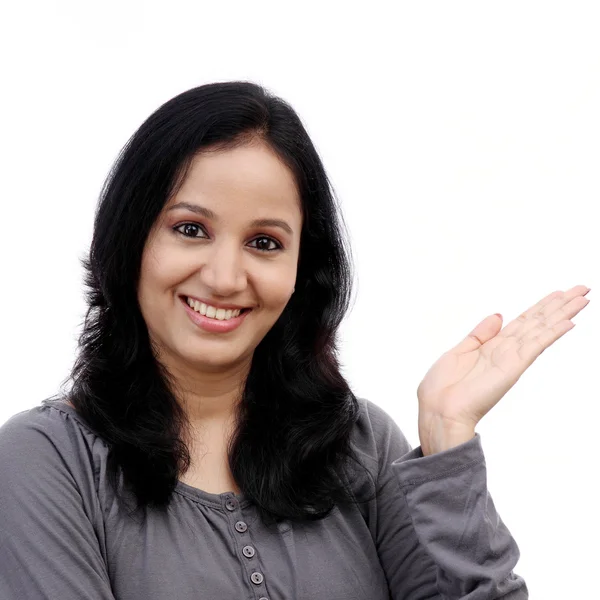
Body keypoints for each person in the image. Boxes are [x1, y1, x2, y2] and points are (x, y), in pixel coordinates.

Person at [0, 80, 590, 599]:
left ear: (303, 267)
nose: (226, 278)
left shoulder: (362, 445)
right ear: (131, 239)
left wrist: (446, 440)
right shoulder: (45, 461)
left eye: (265, 242)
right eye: (190, 229)